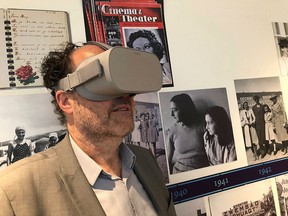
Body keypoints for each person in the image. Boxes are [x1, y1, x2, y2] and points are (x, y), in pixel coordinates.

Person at [0, 42, 176, 216]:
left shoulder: (146, 161)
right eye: (103, 82)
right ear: (66, 101)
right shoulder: (15, 189)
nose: (124, 95)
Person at [166, 93, 209, 174]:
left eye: (175, 110)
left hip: (201, 171)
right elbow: (168, 156)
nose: (171, 114)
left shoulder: (203, 126)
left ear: (185, 109)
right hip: (179, 171)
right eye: (171, 110)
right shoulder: (172, 130)